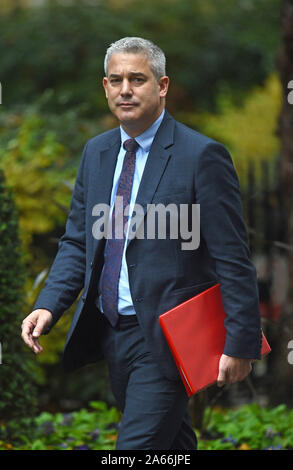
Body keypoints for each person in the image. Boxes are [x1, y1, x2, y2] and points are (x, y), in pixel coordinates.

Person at [21, 37, 262, 450]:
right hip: (114, 332)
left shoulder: (201, 156)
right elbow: (79, 241)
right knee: (171, 447)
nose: (125, 90)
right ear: (105, 86)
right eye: (116, 80)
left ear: (162, 85)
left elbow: (232, 258)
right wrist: (48, 304)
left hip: (169, 338)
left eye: (137, 79)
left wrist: (241, 342)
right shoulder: (96, 153)